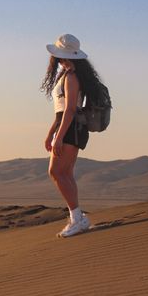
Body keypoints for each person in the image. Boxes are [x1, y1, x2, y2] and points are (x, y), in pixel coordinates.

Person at [41, 33, 105, 238]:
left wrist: (59, 136)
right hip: (69, 127)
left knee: (56, 172)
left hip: (71, 128)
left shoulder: (71, 76)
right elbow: (60, 111)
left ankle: (77, 218)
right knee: (64, 173)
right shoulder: (67, 74)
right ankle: (77, 217)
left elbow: (69, 110)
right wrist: (51, 133)